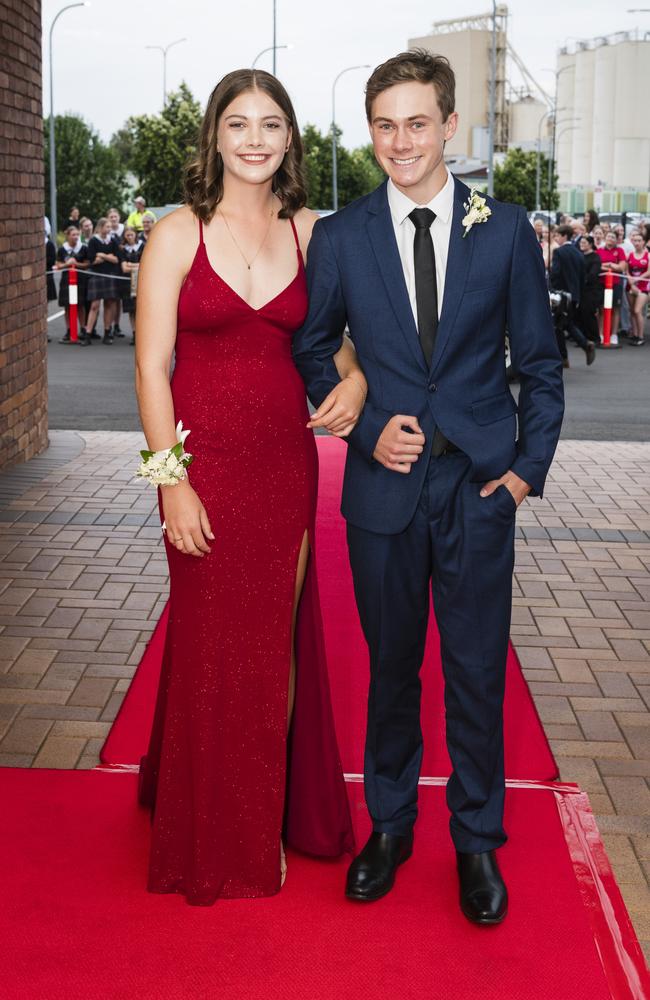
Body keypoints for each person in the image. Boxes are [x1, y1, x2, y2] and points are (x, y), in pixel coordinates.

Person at [293, 49, 564, 924]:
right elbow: (311, 345)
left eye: (417, 123)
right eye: (383, 125)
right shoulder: (342, 235)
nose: (400, 141)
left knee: (477, 674)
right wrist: (368, 430)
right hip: (383, 492)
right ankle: (392, 825)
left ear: (449, 125)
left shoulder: (506, 228)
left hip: (482, 489)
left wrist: (526, 470)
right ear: (368, 133)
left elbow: (544, 367)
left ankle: (477, 844)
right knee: (391, 671)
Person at [135, 68, 360, 905]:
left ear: (291, 138)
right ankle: (201, 822)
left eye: (271, 124)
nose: (256, 139)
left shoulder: (314, 232)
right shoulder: (175, 234)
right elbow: (151, 371)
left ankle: (255, 824)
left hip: (283, 469)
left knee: (270, 645)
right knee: (204, 644)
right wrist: (171, 487)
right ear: (215, 137)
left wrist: (360, 386)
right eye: (239, 124)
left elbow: (339, 351)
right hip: (202, 467)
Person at [550, 225, 596, 364]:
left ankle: (579, 348)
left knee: (559, 325)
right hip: (575, 295)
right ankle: (567, 356)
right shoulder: (578, 253)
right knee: (564, 324)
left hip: (561, 295)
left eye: (557, 236)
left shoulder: (559, 252)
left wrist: (551, 287)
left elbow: (556, 274)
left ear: (564, 236)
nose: (556, 238)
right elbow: (583, 277)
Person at [82, 217, 121, 346]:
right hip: (97, 275)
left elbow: (117, 259)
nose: (109, 229)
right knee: (95, 305)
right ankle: (87, 333)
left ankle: (107, 332)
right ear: (100, 227)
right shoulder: (93, 241)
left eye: (110, 227)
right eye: (107, 227)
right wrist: (108, 256)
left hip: (110, 274)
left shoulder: (113, 241)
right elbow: (93, 259)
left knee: (109, 304)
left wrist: (103, 255)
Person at [55, 225, 90, 342]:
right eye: (73, 235)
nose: (75, 237)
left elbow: (87, 264)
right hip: (66, 280)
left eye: (77, 235)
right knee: (67, 306)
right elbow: (58, 265)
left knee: (80, 305)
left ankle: (83, 329)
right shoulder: (62, 249)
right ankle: (69, 330)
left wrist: (76, 264)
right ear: (68, 236)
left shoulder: (83, 248)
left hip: (80, 280)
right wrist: (67, 264)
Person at [597, 230, 627, 344]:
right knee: (601, 309)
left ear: (617, 240)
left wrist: (607, 265)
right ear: (605, 238)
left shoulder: (620, 251)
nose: (610, 239)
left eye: (613, 237)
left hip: (615, 284)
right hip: (601, 283)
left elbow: (621, 267)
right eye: (609, 236)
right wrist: (610, 265)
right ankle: (601, 334)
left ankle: (614, 334)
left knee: (615, 308)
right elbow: (597, 265)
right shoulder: (599, 250)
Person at [117, 225, 142, 344]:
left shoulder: (142, 246)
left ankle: (142, 333)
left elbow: (145, 264)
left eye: (132, 234)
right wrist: (136, 265)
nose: (130, 237)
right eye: (127, 235)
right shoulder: (122, 249)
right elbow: (124, 268)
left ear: (136, 234)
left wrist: (130, 265)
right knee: (131, 309)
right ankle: (134, 333)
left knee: (140, 309)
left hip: (141, 281)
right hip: (127, 282)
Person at [626, 231, 649, 345]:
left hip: (644, 286)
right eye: (635, 240)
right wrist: (631, 281)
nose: (637, 243)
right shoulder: (630, 255)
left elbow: (649, 271)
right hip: (631, 286)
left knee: (637, 310)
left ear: (644, 242)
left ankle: (641, 336)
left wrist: (638, 279)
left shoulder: (648, 255)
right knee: (632, 311)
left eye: (639, 240)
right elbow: (626, 270)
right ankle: (635, 334)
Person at [578, 235, 602, 346]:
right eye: (581, 242)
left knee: (589, 314)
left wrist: (583, 280)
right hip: (581, 289)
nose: (581, 244)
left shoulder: (595, 257)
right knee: (581, 314)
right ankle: (584, 339)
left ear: (591, 244)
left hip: (591, 290)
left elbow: (593, 274)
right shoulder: (580, 256)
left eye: (584, 242)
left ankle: (595, 338)